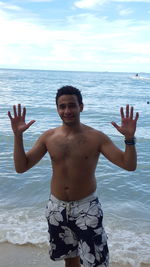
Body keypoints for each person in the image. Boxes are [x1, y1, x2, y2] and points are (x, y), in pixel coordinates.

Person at [8, 85, 139, 267]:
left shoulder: (96, 138)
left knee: (96, 262)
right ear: (57, 109)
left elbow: (129, 165)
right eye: (62, 106)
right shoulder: (49, 137)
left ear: (81, 107)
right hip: (57, 208)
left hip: (87, 208)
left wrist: (129, 139)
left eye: (72, 105)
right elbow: (21, 167)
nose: (67, 110)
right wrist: (17, 136)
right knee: (70, 260)